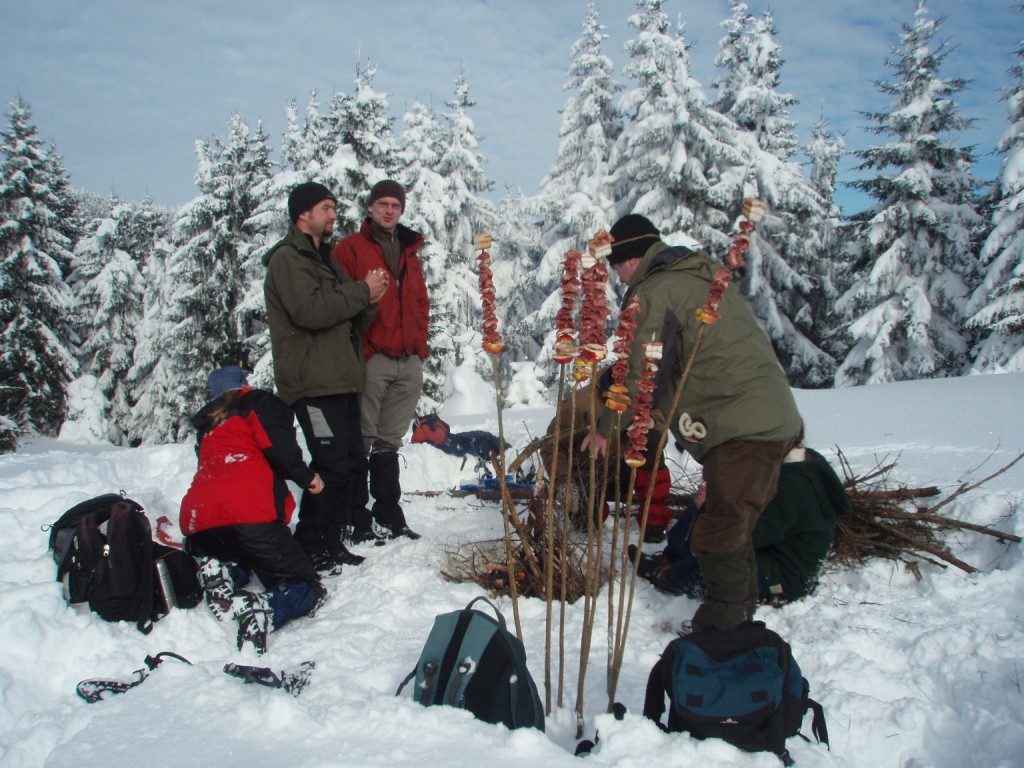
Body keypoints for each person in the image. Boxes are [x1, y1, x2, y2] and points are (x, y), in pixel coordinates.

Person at [581, 213, 804, 634]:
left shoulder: (653, 290)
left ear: (632, 258)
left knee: (720, 534)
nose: (615, 273)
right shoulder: (702, 277)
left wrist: (606, 429)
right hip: (772, 414)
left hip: (741, 428)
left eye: (617, 263)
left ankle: (721, 633)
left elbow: (642, 374)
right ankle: (736, 615)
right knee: (732, 524)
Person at [263, 182, 388, 571]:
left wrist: (369, 300)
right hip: (313, 384)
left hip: (340, 379)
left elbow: (346, 318)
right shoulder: (287, 259)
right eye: (326, 208)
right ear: (303, 214)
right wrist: (359, 292)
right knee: (330, 464)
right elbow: (311, 311)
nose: (334, 215)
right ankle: (310, 544)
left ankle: (329, 542)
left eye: (334, 208)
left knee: (350, 462)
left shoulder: (323, 258)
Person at [180, 366, 328, 655]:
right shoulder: (257, 403)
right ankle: (262, 609)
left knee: (243, 555)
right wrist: (307, 478)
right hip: (249, 515)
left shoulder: (208, 425)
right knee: (306, 585)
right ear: (244, 384)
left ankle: (225, 573)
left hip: (200, 524)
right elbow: (279, 447)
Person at [333, 179, 427, 542]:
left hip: (409, 359)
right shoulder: (350, 249)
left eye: (396, 205)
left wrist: (420, 345)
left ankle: (389, 511)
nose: (390, 210)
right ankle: (356, 515)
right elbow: (341, 301)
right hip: (374, 357)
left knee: (390, 440)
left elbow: (420, 302)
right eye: (383, 204)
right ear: (370, 207)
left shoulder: (410, 252)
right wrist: (363, 349)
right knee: (362, 437)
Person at [636, 448, 850, 603]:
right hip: (767, 553)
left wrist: (709, 509)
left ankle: (669, 577)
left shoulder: (791, 485)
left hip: (783, 577)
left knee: (716, 565)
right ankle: (673, 557)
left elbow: (740, 536)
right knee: (706, 516)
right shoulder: (793, 462)